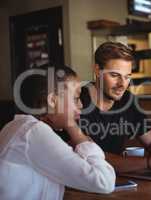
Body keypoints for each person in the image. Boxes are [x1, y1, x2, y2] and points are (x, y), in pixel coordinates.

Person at [0, 65, 116, 200]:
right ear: (52, 101)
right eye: (76, 98)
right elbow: (104, 181)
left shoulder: (17, 126)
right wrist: (76, 132)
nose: (81, 105)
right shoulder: (34, 132)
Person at [79, 42, 151, 173]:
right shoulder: (76, 102)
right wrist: (149, 162)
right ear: (97, 70)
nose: (122, 85)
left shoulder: (128, 100)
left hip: (114, 182)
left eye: (127, 77)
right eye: (115, 75)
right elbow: (92, 159)